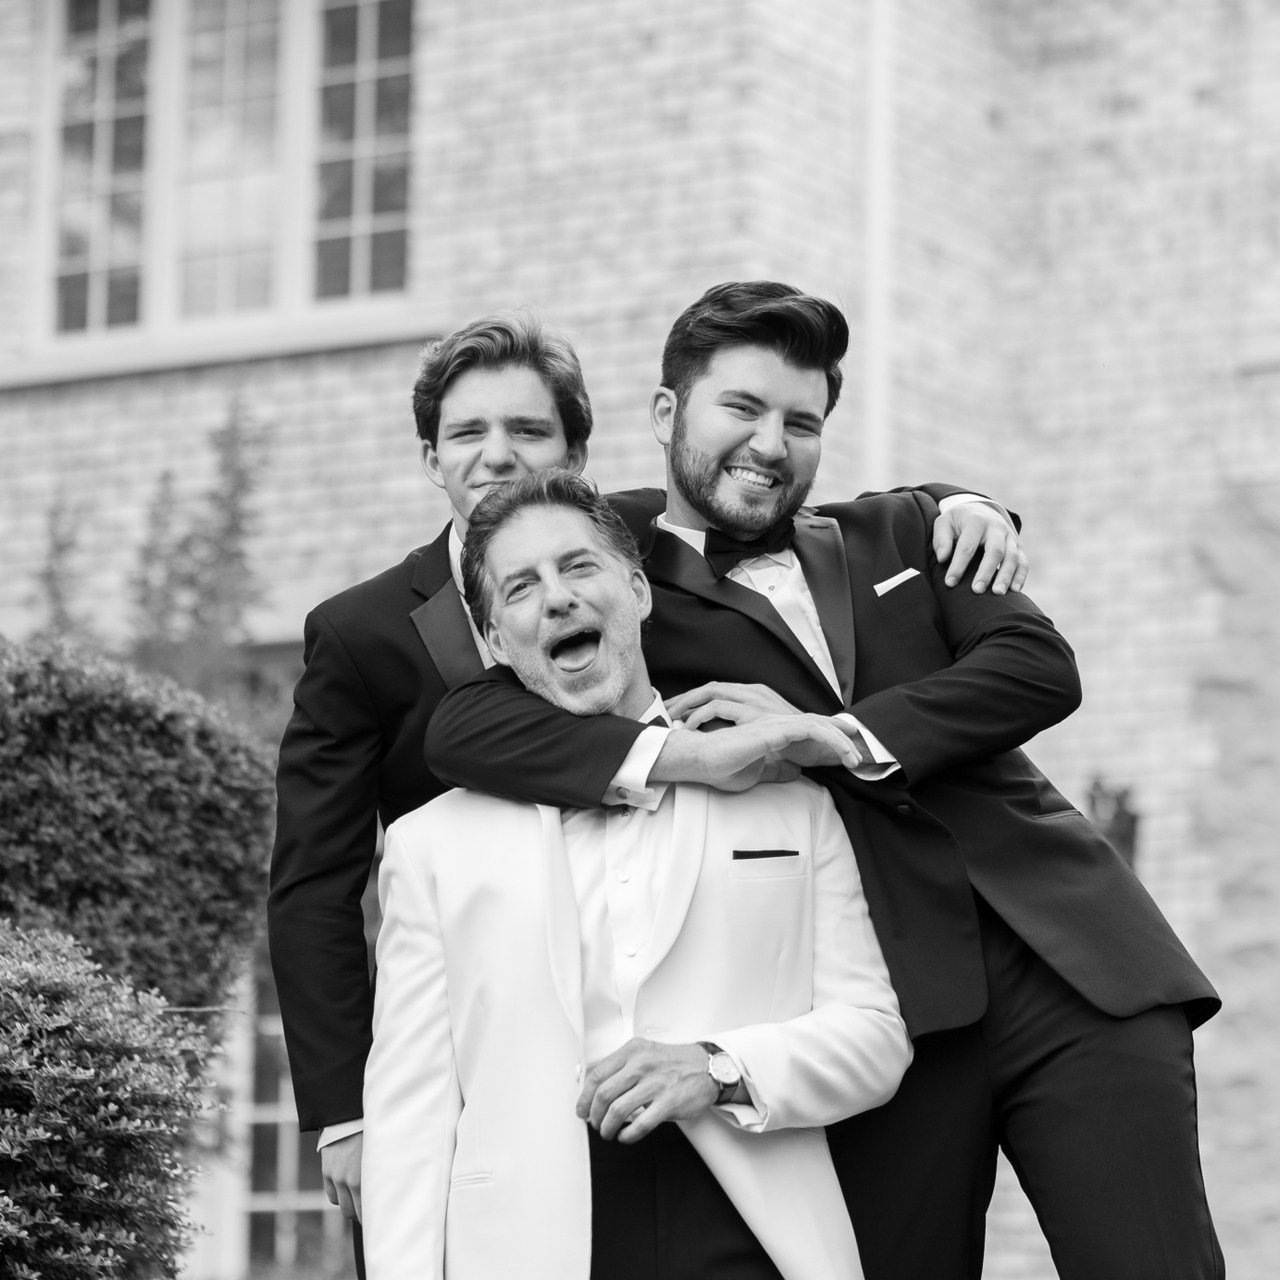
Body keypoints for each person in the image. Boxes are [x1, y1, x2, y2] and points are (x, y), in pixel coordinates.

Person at [427, 282, 1225, 1280]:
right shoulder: (608, 568)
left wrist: (831, 734)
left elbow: (1035, 668)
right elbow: (465, 725)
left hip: (1066, 963)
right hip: (880, 1011)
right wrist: (689, 757)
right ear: (667, 412)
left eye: (801, 422)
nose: (770, 443)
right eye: (741, 408)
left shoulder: (905, 529)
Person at [267, 309, 1022, 1264]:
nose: (498, 456)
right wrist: (345, 1115)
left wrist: (958, 503)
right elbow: (316, 883)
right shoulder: (372, 670)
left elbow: (779, 500)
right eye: (467, 434)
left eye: (528, 430)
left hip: (749, 1210)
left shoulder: (782, 794)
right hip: (520, 1185)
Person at [362, 470, 912, 1280]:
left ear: (640, 591)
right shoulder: (429, 847)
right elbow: (409, 1113)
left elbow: (875, 1040)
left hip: (753, 1240)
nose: (557, 598)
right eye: (521, 587)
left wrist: (719, 1068)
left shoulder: (789, 804)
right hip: (526, 1250)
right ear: (495, 641)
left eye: (578, 566)